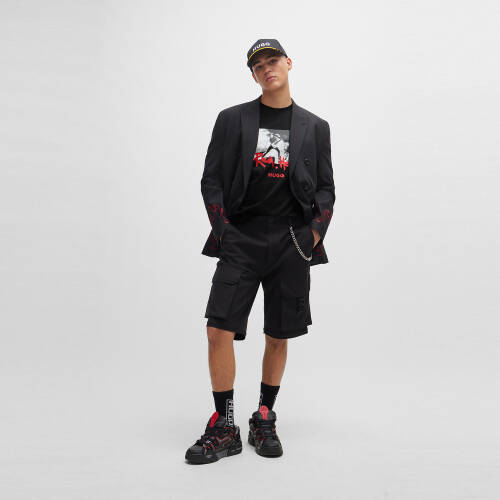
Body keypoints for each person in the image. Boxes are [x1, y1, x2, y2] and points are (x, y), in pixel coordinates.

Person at [185, 39, 335, 464]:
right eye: (258, 66)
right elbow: (211, 180)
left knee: (278, 333)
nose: (267, 68)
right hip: (241, 238)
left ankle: (264, 417)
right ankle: (224, 425)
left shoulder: (315, 126)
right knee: (218, 329)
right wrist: (224, 231)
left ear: (288, 63)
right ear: (253, 75)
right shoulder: (232, 119)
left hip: (291, 241)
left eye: (273, 60)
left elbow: (326, 188)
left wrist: (313, 235)